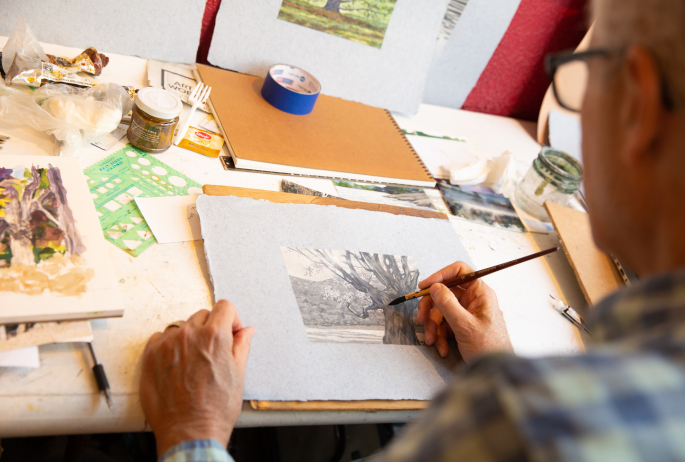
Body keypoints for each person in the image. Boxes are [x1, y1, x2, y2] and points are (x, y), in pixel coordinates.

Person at [140, 0, 685, 459]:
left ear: (636, 106)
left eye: (584, 69)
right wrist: (498, 364)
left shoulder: (539, 424)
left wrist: (196, 431)